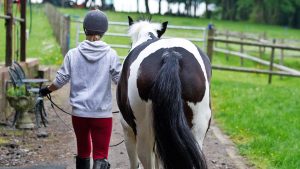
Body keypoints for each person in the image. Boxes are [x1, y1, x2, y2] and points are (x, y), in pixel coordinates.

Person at [39, 9, 122, 169]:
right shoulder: (111, 55)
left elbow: (60, 80)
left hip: (79, 114)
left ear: (85, 29)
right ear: (104, 31)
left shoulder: (73, 54)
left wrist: (46, 90)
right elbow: (120, 80)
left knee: (83, 151)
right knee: (100, 156)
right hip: (102, 115)